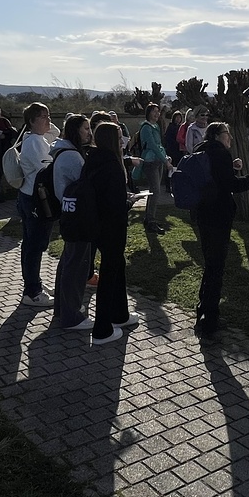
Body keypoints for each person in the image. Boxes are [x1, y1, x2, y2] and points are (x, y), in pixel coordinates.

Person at [191, 121, 249, 338]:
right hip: (219, 215)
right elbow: (231, 185)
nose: (229, 137)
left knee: (209, 262)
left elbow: (215, 178)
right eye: (226, 133)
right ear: (216, 135)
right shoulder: (220, 153)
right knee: (216, 266)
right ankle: (210, 318)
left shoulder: (200, 150)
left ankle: (203, 309)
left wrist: (231, 168)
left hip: (202, 212)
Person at [83, 120, 140, 345]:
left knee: (118, 267)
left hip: (96, 223)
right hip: (111, 226)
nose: (123, 142)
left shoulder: (92, 159)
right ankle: (102, 329)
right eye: (118, 138)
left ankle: (120, 314)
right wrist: (130, 201)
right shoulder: (112, 165)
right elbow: (115, 204)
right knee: (109, 273)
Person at [50, 115, 95, 331]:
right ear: (75, 130)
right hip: (77, 215)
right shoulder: (71, 156)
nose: (89, 132)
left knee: (69, 262)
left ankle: (63, 309)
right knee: (76, 266)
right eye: (85, 128)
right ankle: (71, 316)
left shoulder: (64, 151)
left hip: (69, 213)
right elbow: (87, 185)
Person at [17, 103, 56, 308]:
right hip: (35, 199)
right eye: (43, 117)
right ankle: (32, 291)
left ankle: (34, 283)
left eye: (49, 116)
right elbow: (47, 167)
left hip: (28, 195)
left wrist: (47, 121)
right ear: (31, 121)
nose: (48, 120)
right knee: (35, 245)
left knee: (30, 243)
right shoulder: (34, 142)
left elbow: (55, 132)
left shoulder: (36, 138)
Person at [137, 103, 169, 235]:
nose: (157, 114)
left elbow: (160, 145)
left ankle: (149, 218)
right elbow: (152, 146)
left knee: (155, 192)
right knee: (155, 191)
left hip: (158, 161)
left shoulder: (156, 126)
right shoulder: (146, 127)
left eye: (158, 111)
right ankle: (151, 221)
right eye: (154, 111)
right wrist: (165, 161)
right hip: (150, 162)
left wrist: (165, 157)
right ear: (148, 113)